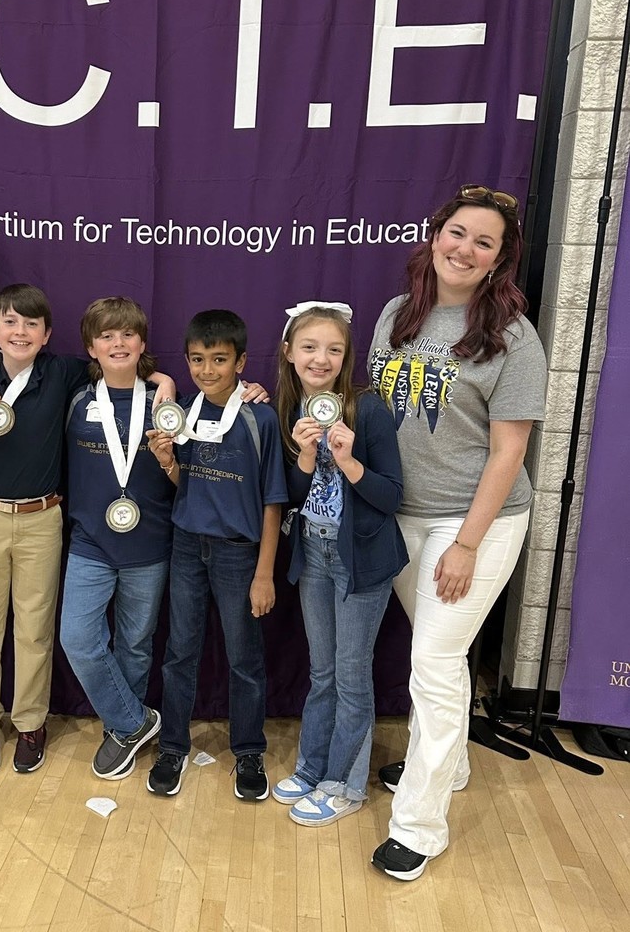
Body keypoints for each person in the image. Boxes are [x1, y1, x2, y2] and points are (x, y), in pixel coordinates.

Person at [367, 185, 547, 880]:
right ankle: (452, 764)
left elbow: (508, 453)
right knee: (438, 653)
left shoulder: (512, 336)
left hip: (478, 521)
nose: (465, 250)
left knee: (434, 664)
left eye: (485, 243)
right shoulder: (397, 314)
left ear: (501, 259)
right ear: (436, 233)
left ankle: (419, 825)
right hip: (402, 513)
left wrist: (467, 544)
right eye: (458, 234)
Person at [0, 286, 176, 775]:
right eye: (10, 323)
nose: (21, 332)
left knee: (36, 632)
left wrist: (168, 383)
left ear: (48, 334)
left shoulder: (65, 374)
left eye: (32, 324)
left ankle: (31, 722)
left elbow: (125, 369)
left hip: (42, 518)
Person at [272, 302, 407, 827]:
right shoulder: (290, 410)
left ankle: (345, 784)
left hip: (361, 560)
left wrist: (350, 462)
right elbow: (291, 496)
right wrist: (306, 457)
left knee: (352, 676)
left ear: (347, 355)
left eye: (333, 349)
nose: (320, 358)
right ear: (288, 353)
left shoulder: (368, 410)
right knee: (323, 671)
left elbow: (391, 495)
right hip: (315, 556)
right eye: (309, 347)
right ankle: (312, 767)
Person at [145, 310, 287, 801]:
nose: (208, 370)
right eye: (198, 360)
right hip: (187, 544)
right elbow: (188, 483)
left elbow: (273, 501)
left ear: (241, 361)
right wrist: (167, 461)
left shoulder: (259, 418)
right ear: (186, 361)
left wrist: (264, 572)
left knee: (244, 656)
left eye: (220, 360)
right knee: (180, 651)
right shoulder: (181, 412)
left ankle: (248, 749)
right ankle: (173, 746)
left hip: (238, 553)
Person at [58, 297, 174, 780]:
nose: (118, 342)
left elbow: (182, 477)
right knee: (79, 638)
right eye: (107, 335)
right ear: (91, 347)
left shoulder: (167, 404)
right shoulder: (77, 399)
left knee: (136, 645)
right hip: (90, 542)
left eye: (127, 334)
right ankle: (133, 721)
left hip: (149, 545)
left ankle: (119, 736)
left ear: (142, 343)